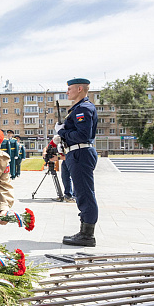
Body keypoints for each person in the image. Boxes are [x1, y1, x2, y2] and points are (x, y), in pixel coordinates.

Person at [57, 77, 99, 247]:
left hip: (81, 153)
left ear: (80, 89)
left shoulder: (83, 108)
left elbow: (83, 135)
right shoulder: (76, 109)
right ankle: (85, 231)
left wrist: (63, 134)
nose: (67, 92)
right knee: (82, 192)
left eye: (70, 89)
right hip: (77, 153)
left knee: (84, 194)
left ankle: (87, 235)